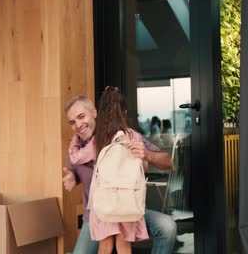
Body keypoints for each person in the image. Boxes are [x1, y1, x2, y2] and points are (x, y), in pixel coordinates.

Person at [63, 94, 177, 254]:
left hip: (128, 207)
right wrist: (72, 176)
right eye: (72, 122)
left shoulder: (128, 136)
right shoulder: (80, 145)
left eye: (81, 117)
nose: (78, 125)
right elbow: (71, 166)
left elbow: (167, 161)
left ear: (95, 113)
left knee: (167, 226)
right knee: (117, 245)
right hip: (99, 213)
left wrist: (147, 154)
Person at [88, 86, 149, 254]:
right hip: (126, 199)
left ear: (101, 112)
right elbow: (143, 167)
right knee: (124, 246)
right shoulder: (133, 136)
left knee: (105, 245)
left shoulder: (97, 139)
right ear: (125, 112)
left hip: (104, 199)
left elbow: (84, 160)